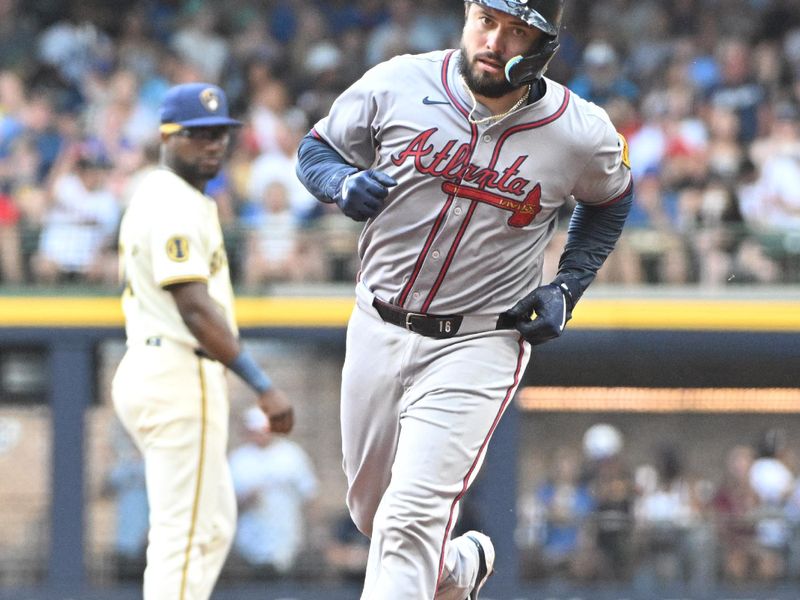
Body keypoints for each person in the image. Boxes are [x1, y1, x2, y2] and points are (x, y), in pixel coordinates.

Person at [295, 1, 634, 598]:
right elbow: (316, 149)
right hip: (378, 319)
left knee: (406, 522)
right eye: (486, 21)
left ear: (545, 47)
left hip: (480, 339)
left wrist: (568, 285)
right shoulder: (401, 80)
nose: (494, 41)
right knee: (373, 516)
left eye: (516, 31)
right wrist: (340, 183)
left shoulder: (579, 130)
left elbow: (610, 200)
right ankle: (457, 568)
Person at [111, 82, 294, 600]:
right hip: (176, 370)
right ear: (168, 136)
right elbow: (193, 306)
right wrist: (262, 385)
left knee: (211, 525)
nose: (213, 145)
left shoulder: (176, 195)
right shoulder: (171, 199)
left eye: (220, 135)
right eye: (198, 135)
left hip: (167, 367)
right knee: (184, 537)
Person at [228, 407, 318, 575]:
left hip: (287, 537)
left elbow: (309, 493)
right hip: (249, 540)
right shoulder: (238, 459)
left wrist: (312, 533)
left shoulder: (291, 455)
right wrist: (246, 499)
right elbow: (227, 503)